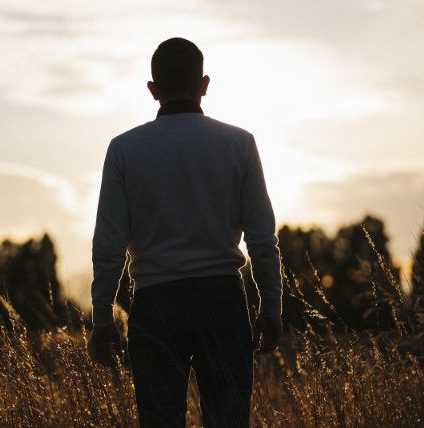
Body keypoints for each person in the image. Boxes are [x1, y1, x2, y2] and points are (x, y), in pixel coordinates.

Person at [89, 37, 283, 428]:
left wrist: (101, 317)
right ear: (205, 84)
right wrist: (271, 307)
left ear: (152, 90)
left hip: (155, 305)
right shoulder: (240, 144)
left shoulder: (124, 149)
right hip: (223, 302)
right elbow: (263, 240)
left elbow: (109, 245)